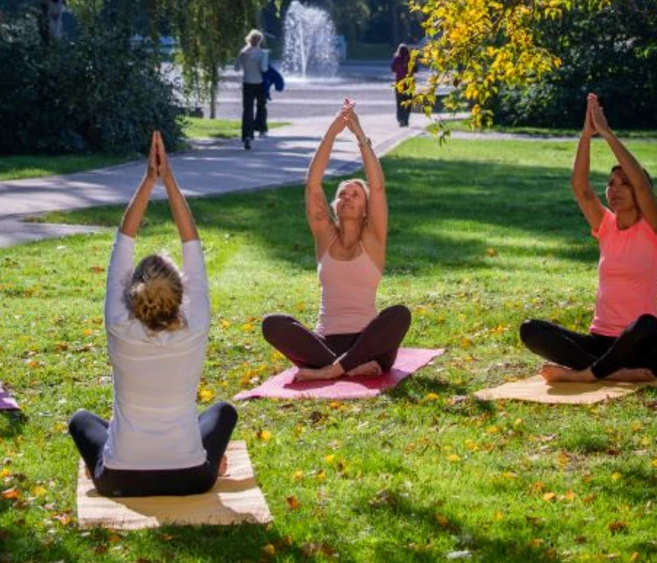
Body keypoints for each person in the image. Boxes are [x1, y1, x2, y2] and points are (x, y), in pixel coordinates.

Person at [68, 132, 237, 497]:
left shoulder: (119, 323)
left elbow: (122, 241)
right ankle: (212, 462)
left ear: (131, 291)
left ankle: (101, 464)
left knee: (81, 420)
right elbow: (191, 242)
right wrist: (170, 182)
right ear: (181, 293)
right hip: (191, 476)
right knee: (223, 411)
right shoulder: (195, 325)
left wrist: (149, 180)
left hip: (119, 479)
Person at [520, 93, 657, 383]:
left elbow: (640, 182)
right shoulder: (606, 225)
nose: (615, 189)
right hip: (601, 341)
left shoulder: (654, 228)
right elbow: (580, 187)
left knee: (647, 323)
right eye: (611, 183)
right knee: (530, 329)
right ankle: (610, 372)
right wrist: (586, 135)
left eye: (624, 184)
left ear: (641, 192)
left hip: (641, 344)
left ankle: (588, 374)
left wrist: (607, 133)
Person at [261, 100, 411, 382]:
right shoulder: (325, 237)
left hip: (368, 345)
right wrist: (331, 133)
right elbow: (312, 185)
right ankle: (345, 368)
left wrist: (359, 134)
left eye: (355, 195)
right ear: (334, 205)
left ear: (366, 208)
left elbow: (377, 187)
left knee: (399, 315)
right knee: (272, 323)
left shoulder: (373, 238)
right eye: (342, 194)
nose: (347, 198)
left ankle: (332, 371)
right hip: (325, 343)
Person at [234, 29, 269, 150]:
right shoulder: (262, 54)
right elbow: (264, 69)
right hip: (259, 83)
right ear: (260, 40)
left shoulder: (243, 52)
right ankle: (261, 128)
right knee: (261, 106)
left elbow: (236, 68)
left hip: (247, 83)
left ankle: (247, 135)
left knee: (247, 110)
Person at [391, 44, 416, 127]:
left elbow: (393, 69)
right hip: (409, 84)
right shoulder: (410, 60)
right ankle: (406, 119)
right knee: (408, 103)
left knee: (399, 103)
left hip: (399, 84)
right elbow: (416, 69)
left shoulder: (396, 59)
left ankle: (400, 119)